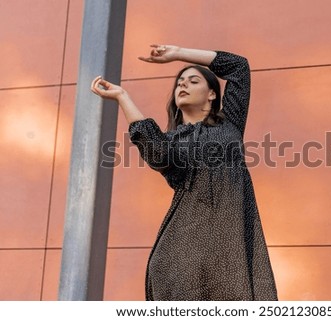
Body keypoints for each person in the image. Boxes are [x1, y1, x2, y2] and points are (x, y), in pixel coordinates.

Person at [91, 45, 278, 301]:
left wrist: (178, 53)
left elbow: (238, 67)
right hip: (182, 254)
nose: (183, 85)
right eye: (179, 82)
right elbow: (156, 152)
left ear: (212, 94)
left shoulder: (230, 122)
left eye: (193, 80)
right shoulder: (171, 143)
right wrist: (123, 96)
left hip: (231, 248)